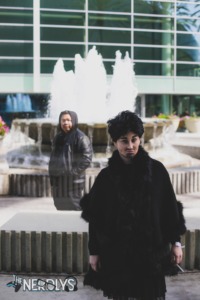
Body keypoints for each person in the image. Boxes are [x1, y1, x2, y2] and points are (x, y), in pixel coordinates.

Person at [80, 111, 186, 300]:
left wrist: (176, 243)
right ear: (114, 142)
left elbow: (169, 210)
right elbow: (96, 218)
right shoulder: (106, 178)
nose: (130, 146)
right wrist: (94, 252)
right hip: (118, 257)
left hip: (151, 256)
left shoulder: (157, 171)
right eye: (124, 140)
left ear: (140, 139)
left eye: (134, 139)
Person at [48, 110, 93, 210]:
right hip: (58, 182)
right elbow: (53, 157)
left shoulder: (81, 137)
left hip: (73, 183)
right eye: (63, 120)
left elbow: (87, 158)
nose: (65, 123)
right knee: (60, 207)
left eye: (68, 120)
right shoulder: (58, 137)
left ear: (74, 121)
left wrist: (72, 173)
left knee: (74, 208)